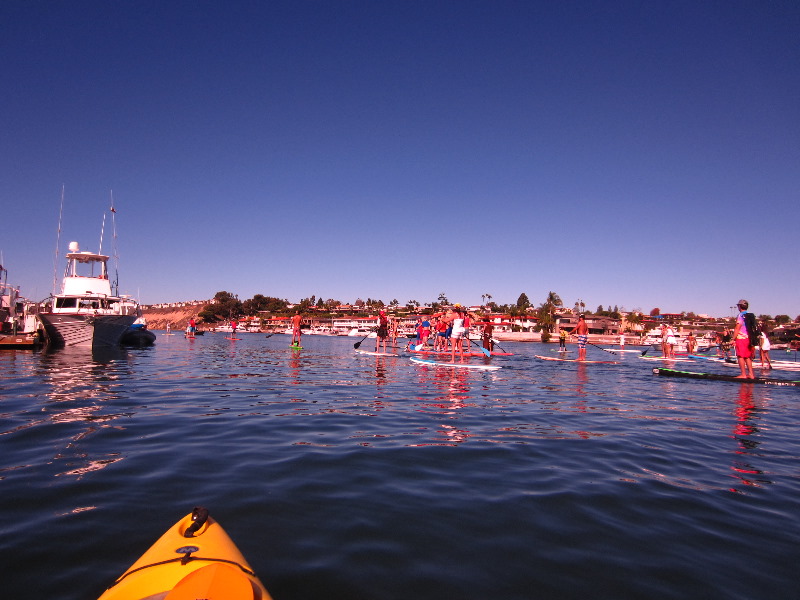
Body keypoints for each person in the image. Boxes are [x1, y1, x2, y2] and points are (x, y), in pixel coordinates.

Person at [732, 299, 755, 379]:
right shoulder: (749, 315)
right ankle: (751, 374)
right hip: (749, 338)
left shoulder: (741, 315)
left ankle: (743, 374)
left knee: (740, 356)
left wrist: (733, 339)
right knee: (747, 357)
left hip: (741, 338)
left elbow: (737, 328)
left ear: (740, 306)